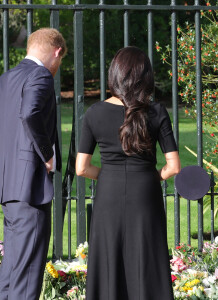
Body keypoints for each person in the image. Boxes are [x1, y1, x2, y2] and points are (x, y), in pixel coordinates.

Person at [76, 46, 181, 300]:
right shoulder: (156, 112)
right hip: (145, 189)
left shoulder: (94, 112)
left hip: (108, 190)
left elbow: (81, 168)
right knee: (147, 255)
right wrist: (153, 176)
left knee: (109, 254)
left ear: (115, 74)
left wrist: (107, 175)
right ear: (146, 77)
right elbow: (174, 166)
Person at [0, 28, 67, 300]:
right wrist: (46, 154)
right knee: (28, 275)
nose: (58, 68)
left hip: (9, 189)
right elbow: (29, 112)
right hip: (31, 189)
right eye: (60, 61)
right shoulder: (41, 75)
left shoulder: (6, 79)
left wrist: (11, 154)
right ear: (57, 51)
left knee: (13, 271)